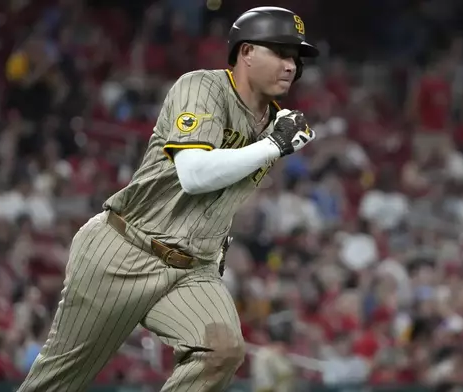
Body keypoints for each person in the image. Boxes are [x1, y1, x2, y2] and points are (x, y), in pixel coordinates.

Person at [17, 6, 318, 392]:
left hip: (192, 269)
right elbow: (194, 176)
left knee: (222, 351)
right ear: (245, 52)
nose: (291, 65)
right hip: (124, 249)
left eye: (295, 57)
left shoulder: (275, 124)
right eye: (280, 51)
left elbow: (219, 197)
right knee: (57, 384)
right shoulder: (202, 87)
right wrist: (273, 146)